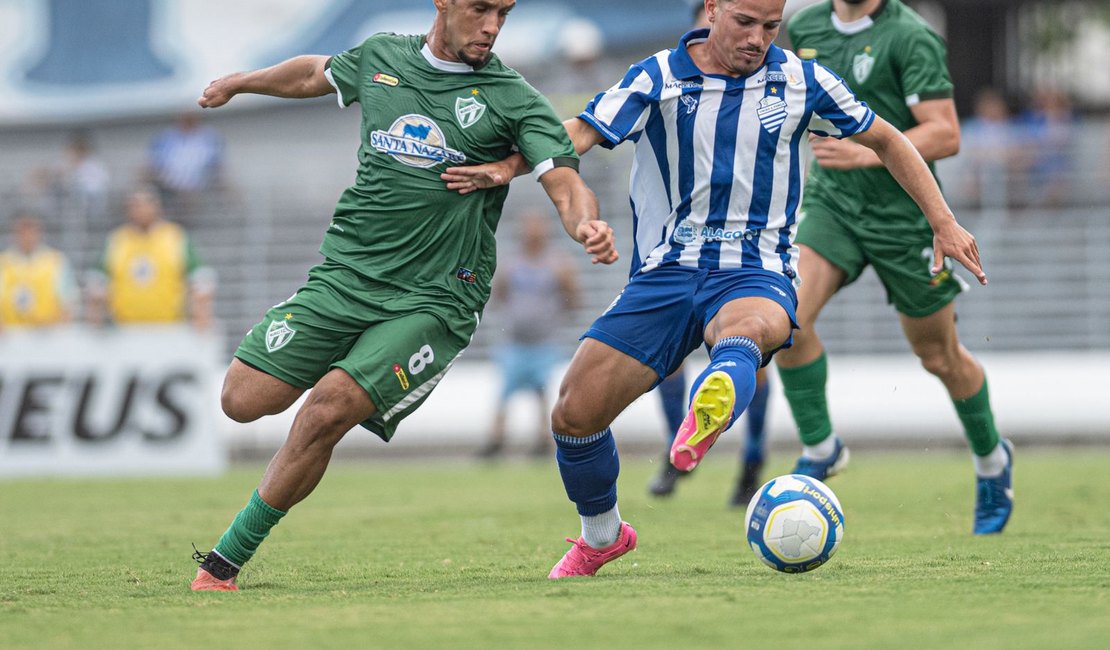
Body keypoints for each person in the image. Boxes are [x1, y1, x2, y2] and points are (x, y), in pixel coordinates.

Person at [443, 0, 986, 578]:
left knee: (750, 328)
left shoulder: (802, 79)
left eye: (771, 27)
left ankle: (721, 387)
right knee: (575, 415)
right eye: (746, 23)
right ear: (712, 10)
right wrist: (506, 166)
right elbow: (578, 131)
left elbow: (890, 140)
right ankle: (602, 535)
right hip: (666, 272)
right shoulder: (658, 75)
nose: (758, 39)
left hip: (756, 268)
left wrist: (943, 221)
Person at [188, 0, 618, 592]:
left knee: (326, 410)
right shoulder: (383, 56)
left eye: (504, 13)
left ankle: (223, 564)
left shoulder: (513, 98)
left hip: (434, 299)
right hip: (345, 276)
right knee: (242, 398)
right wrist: (242, 82)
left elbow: (563, 177)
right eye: (480, 10)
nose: (492, 26)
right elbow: (316, 73)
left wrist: (584, 225)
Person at [778, 0, 1013, 535]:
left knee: (938, 355)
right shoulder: (805, 25)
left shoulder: (911, 36)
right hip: (832, 205)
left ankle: (993, 461)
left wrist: (867, 152)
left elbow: (946, 133)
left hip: (905, 217)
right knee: (786, 321)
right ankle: (821, 446)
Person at [647, 0, 772, 509]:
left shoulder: (769, 65)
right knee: (668, 362)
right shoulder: (676, 65)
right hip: (678, 244)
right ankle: (679, 445)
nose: (752, 35)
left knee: (749, 352)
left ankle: (752, 460)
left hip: (752, 244)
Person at [479, 210, 580, 459]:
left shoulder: (557, 263)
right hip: (516, 341)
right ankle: (496, 439)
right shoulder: (512, 263)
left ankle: (543, 441)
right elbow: (499, 293)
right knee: (505, 392)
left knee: (543, 392)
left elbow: (573, 297)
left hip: (544, 341)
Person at [86, 189, 215, 330]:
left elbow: (200, 278)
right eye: (135, 206)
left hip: (168, 329)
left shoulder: (175, 238)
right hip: (125, 331)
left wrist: (201, 313)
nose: (139, 210)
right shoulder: (117, 240)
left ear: (156, 207)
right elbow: (97, 282)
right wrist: (96, 315)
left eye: (144, 204)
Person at [0, 213, 76, 329]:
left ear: (39, 234)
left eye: (31, 232)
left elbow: (68, 301)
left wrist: (59, 329)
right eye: (23, 233)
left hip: (47, 336)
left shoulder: (55, 261)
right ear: (15, 234)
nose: (27, 237)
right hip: (11, 335)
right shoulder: (4, 262)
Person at [145, 112, 224, 219]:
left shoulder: (208, 137)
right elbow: (156, 161)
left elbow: (215, 163)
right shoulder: (166, 137)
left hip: (202, 182)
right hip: (168, 183)